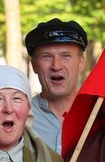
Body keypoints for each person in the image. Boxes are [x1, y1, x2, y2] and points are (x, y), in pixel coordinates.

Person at [24, 18, 88, 153]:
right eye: (46, 57)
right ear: (34, 65)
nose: (56, 66)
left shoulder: (98, 116)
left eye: (65, 56)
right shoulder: (19, 117)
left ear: (81, 62)